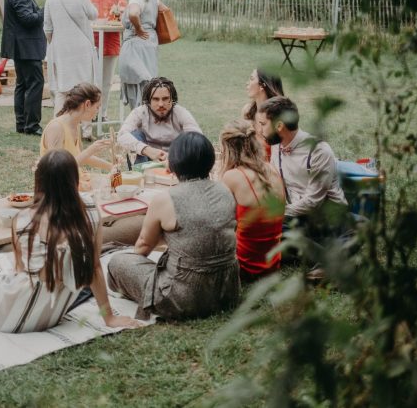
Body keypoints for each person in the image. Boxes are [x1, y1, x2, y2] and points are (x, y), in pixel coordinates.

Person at [0, 149, 143, 333]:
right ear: (74, 179)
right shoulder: (89, 210)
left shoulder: (24, 220)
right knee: (6, 266)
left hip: (5, 318)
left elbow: (19, 269)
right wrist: (109, 318)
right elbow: (95, 267)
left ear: (39, 181)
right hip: (50, 315)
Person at [107, 132, 240, 320]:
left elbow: (144, 246)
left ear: (175, 161)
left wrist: (133, 266)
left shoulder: (166, 198)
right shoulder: (225, 190)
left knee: (117, 262)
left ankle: (134, 292)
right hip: (227, 291)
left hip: (184, 298)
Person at [256, 96, 348, 233]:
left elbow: (313, 201)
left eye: (263, 124)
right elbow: (273, 182)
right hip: (297, 213)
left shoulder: (318, 151)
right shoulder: (277, 146)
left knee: (269, 231)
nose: (260, 130)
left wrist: (277, 214)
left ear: (279, 126)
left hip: (326, 218)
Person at [219, 119, 286, 281]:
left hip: (246, 267)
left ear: (228, 148)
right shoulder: (270, 168)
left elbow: (220, 220)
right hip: (272, 264)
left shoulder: (233, 176)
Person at [43, 0, 98, 114]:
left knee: (62, 89)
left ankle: (58, 126)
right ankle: (86, 128)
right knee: (84, 88)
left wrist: (54, 43)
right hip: (81, 48)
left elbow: (47, 27)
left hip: (60, 48)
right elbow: (94, 14)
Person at [1, 0, 47, 136]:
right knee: (35, 83)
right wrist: (45, 10)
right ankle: (32, 124)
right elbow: (28, 19)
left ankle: (22, 123)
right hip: (26, 47)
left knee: (22, 84)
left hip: (22, 46)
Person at [118, 0, 169, 110]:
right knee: (149, 82)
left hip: (136, 46)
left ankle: (139, 119)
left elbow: (134, 14)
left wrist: (139, 29)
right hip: (150, 43)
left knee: (137, 84)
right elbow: (165, 11)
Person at [117, 77, 201, 162]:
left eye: (165, 99)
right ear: (148, 101)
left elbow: (197, 138)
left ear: (172, 100)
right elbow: (121, 135)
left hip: (177, 160)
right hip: (147, 158)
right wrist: (146, 150)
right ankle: (140, 173)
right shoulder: (140, 112)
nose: (161, 104)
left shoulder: (180, 112)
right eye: (155, 99)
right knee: (135, 134)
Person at [41, 83, 113, 180]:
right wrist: (89, 151)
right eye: (97, 107)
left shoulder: (75, 124)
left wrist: (112, 166)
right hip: (60, 189)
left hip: (75, 180)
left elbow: (80, 157)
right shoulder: (56, 127)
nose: (98, 111)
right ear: (87, 104)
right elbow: (57, 170)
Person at [83, 0, 127, 120]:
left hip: (110, 43)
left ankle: (103, 113)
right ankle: (88, 114)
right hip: (89, 43)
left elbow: (124, 14)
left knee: (106, 82)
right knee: (89, 81)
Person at [243, 68, 285, 161]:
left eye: (251, 78)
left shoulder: (278, 116)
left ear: (262, 86)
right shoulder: (248, 111)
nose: (247, 83)